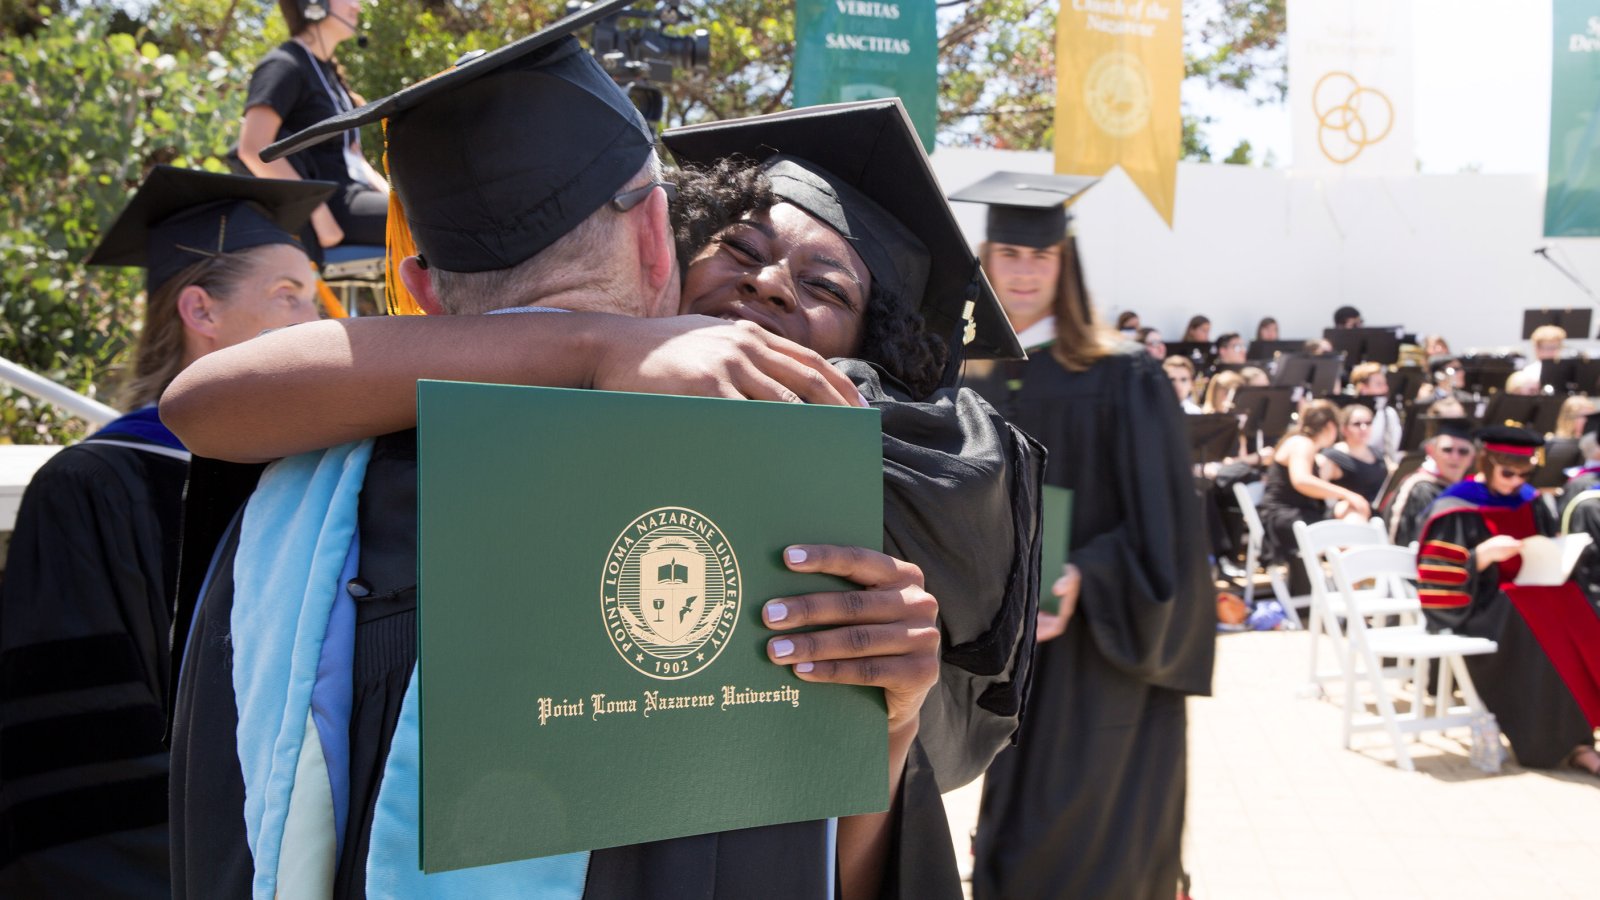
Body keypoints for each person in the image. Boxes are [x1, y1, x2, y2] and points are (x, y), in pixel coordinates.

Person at [165, 24, 1036, 899]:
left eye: (825, 287)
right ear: (667, 238)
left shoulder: (297, 509)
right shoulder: (785, 546)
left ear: (422, 292)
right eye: (740, 249)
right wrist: (599, 345)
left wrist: (886, 728)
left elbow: (198, 405)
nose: (769, 288)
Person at [0, 167, 332, 898]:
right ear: (199, 311)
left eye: (313, 297)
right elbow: (77, 765)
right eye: (289, 298)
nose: (316, 322)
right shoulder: (92, 488)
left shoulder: (326, 474)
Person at [952, 172, 1215, 900]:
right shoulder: (966, 377)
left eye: (1041, 256)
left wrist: (1085, 576)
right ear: (988, 260)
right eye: (1009, 254)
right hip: (999, 651)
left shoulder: (1122, 376)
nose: (1026, 270)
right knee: (1006, 827)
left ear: (1065, 265)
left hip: (1100, 648)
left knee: (1087, 839)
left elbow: (1167, 525)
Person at [1416, 426, 1600, 773]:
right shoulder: (1456, 505)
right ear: (1485, 463)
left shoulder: (1529, 500)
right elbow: (1436, 578)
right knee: (1535, 629)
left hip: (1532, 598)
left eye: (1525, 474)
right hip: (1483, 610)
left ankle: (1584, 733)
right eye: (1508, 472)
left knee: (1579, 606)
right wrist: (1480, 557)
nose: (1516, 481)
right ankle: (1558, 744)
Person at [237, 0, 389, 248]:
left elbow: (355, 158)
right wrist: (316, 212)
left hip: (358, 195)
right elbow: (252, 148)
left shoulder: (330, 76)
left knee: (437, 211)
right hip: (333, 206)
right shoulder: (284, 65)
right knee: (438, 222)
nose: (357, 6)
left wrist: (396, 197)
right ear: (314, 4)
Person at [1257, 399, 1369, 595]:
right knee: (1350, 532)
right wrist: (1347, 494)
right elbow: (1301, 480)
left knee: (1348, 513)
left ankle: (1353, 588)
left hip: (1296, 516)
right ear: (1330, 426)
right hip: (1286, 519)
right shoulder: (1302, 443)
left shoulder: (1300, 443)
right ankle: (1353, 590)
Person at [1380, 419, 1476, 546]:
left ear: (1472, 458)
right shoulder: (1421, 489)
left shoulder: (1469, 491)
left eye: (1463, 451)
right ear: (1431, 451)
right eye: (1447, 450)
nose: (1455, 457)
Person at [1319, 404, 1388, 508]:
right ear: (1344, 429)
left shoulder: (1378, 454)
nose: (1363, 428)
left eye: (1368, 423)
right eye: (1357, 424)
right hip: (1349, 514)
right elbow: (1318, 487)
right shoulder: (1333, 456)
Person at [1349, 361, 1401, 463]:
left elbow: (1394, 445)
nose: (1385, 388)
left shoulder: (1389, 413)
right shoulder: (1352, 415)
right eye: (1378, 384)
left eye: (1385, 383)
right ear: (1363, 388)